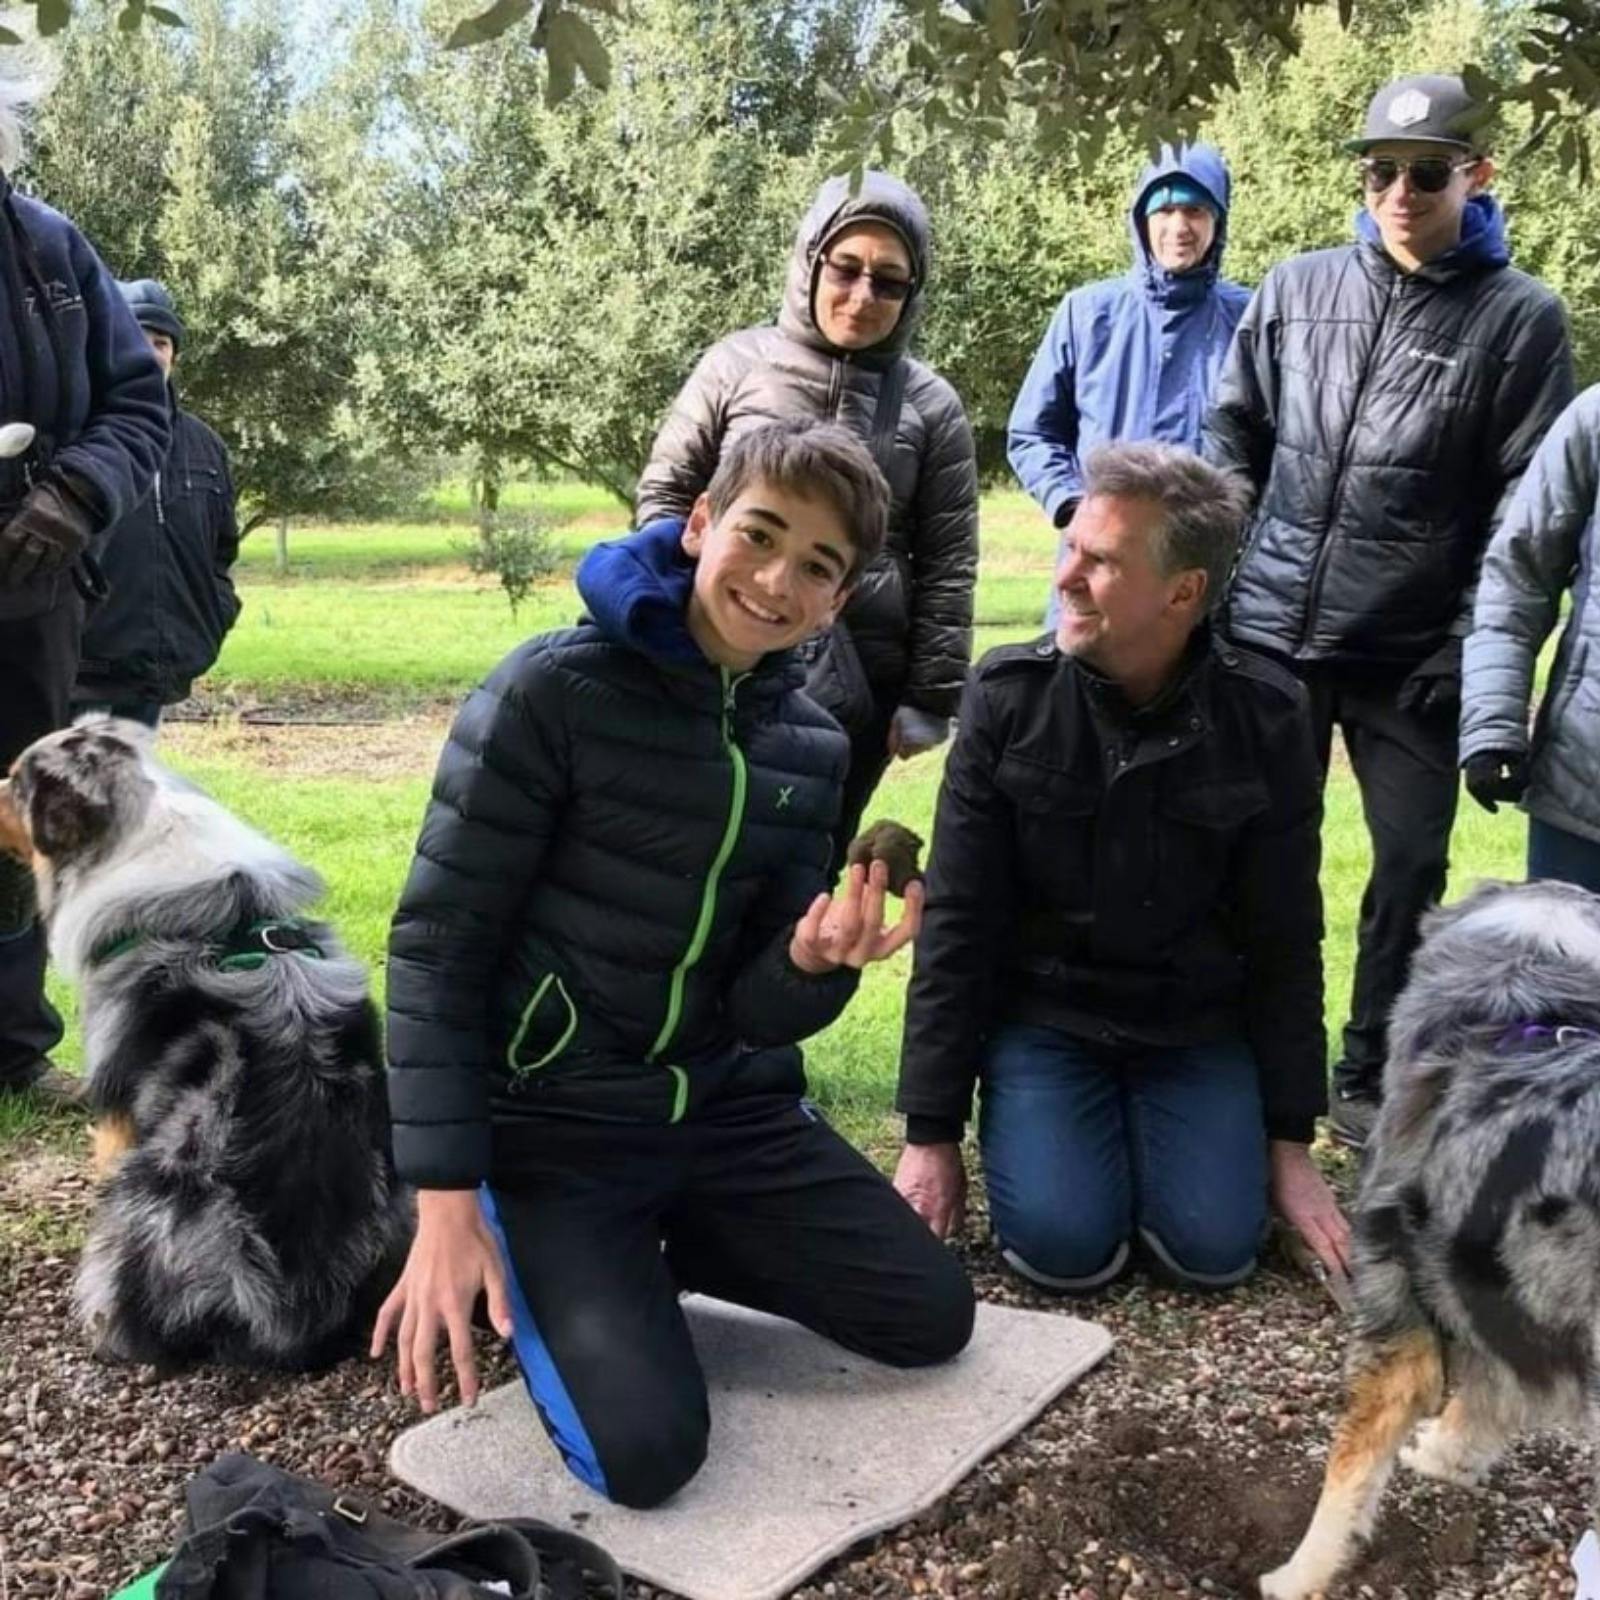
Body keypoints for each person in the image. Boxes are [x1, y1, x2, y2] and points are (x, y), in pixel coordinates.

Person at [376, 419, 975, 1509]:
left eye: (817, 566)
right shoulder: (550, 692)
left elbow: (756, 1005)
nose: (775, 579)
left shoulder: (815, 745)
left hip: (722, 1114)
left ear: (838, 600)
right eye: (759, 534)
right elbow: (434, 947)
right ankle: (554, 1246)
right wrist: (446, 1194)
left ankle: (657, 1252)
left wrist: (810, 959)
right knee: (645, 1459)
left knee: (930, 1315)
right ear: (699, 523)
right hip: (554, 1128)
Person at [1203, 73, 1574, 1151]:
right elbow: (1232, 438)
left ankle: (1365, 1068)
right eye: (1380, 171)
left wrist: (1466, 641)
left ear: (1477, 174)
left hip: (1409, 652)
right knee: (1254, 851)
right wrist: (1220, 585)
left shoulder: (1521, 320)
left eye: (1426, 171)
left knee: (1409, 863)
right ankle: (1247, 1059)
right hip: (1272, 630)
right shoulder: (1296, 285)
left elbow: (1525, 507)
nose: (1400, 192)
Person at [893, 441, 1349, 1294]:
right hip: (1050, 1019)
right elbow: (959, 921)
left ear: (1184, 593)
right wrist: (930, 1133)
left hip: (1193, 1027)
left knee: (1213, 1252)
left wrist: (1290, 1145)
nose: (1065, 577)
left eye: (1100, 563)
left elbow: (1286, 934)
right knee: (1064, 1252)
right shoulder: (1006, 698)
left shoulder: (1268, 714)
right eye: (1072, 547)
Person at [635, 173, 979, 864]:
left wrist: (930, 696)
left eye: (888, 282)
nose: (861, 296)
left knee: (804, 861)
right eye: (846, 268)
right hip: (721, 657)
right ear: (811, 259)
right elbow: (667, 498)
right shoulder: (735, 366)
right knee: (688, 845)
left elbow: (949, 561)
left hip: (860, 689)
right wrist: (663, 620)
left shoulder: (932, 406)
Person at [0, 75, 170, 1107]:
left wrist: (74, 493)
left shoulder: (52, 252)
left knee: (27, 822)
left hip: (32, 589)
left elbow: (137, 405)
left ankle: (12, 1043)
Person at [1009, 143, 1249, 625]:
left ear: (1217, 221)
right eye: (1164, 210)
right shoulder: (1087, 313)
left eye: (1195, 210)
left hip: (1198, 579)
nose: (1179, 227)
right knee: (1077, 691)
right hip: (1092, 569)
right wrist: (1074, 505)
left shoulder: (1248, 318)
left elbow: (1267, 445)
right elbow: (1031, 434)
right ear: (1141, 220)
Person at [73, 279, 241, 728]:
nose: (149, 353)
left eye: (161, 342)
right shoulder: (75, 434)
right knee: (62, 797)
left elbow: (222, 550)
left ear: (174, 354)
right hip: (77, 673)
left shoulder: (204, 446)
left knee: (129, 794)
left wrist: (216, 613)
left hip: (151, 674)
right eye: (135, 339)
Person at [1461, 385, 1600, 890]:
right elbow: (1518, 579)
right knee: (1559, 969)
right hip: (1584, 791)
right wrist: (1492, 726)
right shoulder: (1593, 418)